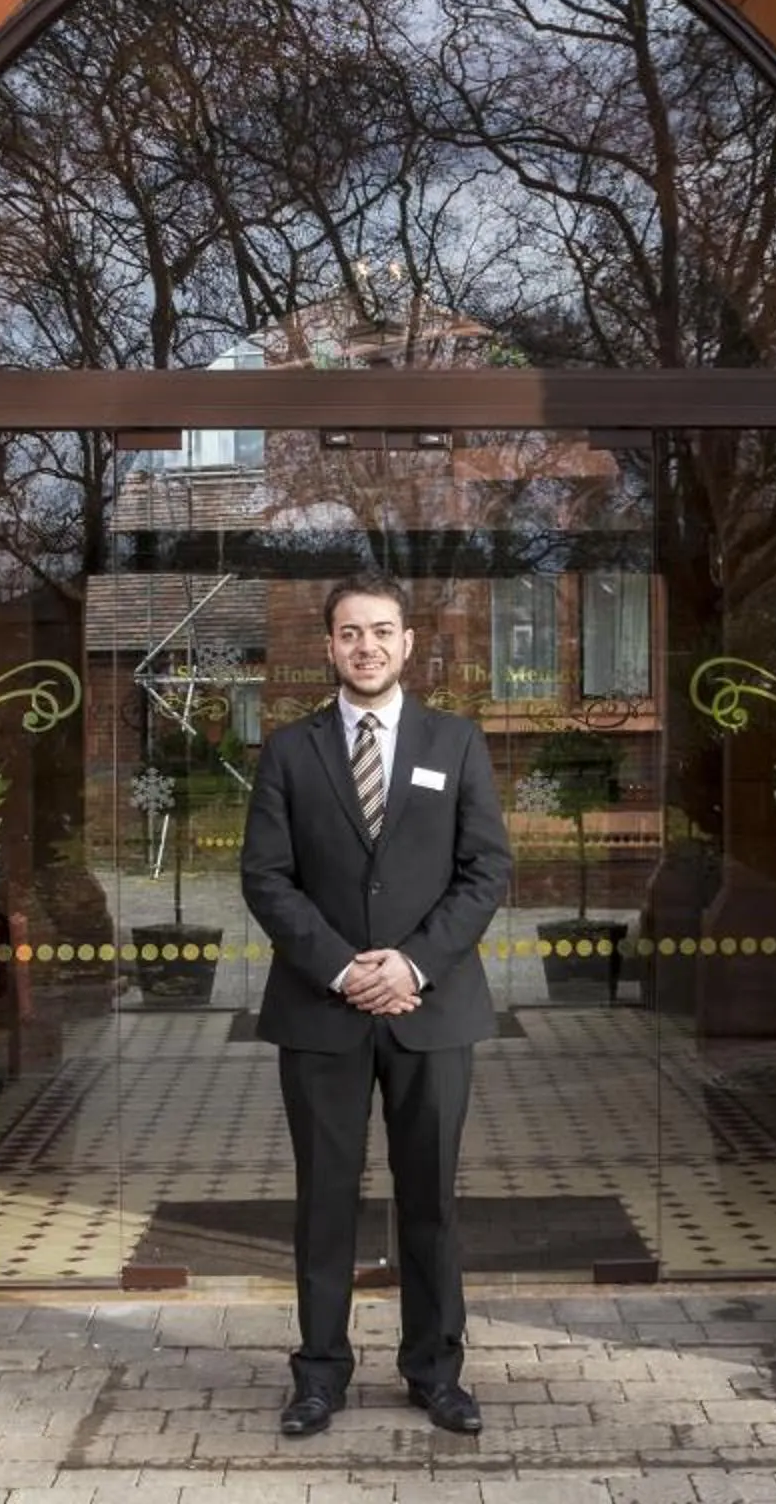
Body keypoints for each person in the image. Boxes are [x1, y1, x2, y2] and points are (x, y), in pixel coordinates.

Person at [239, 572, 512, 1439]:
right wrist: (342, 969)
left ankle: (435, 1371)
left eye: (382, 631)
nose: (367, 646)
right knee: (325, 1196)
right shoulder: (288, 749)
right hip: (323, 1011)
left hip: (431, 1010)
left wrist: (414, 965)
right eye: (351, 633)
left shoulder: (456, 742)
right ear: (328, 647)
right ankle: (319, 1374)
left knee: (429, 1196)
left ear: (407, 642)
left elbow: (487, 871)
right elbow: (265, 877)